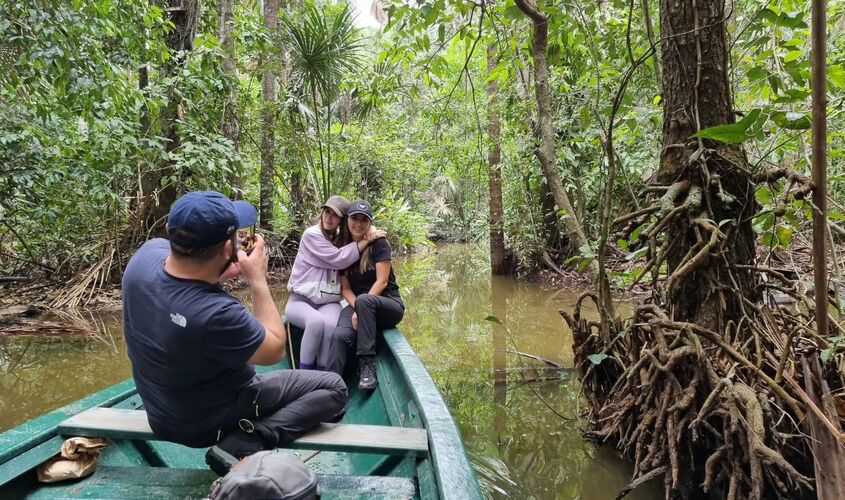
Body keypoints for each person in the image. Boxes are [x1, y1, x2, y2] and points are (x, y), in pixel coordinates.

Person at [122, 191, 347, 477]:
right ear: (225, 250)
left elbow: (181, 278)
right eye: (236, 236)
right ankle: (250, 439)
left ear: (170, 232)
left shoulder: (143, 258)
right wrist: (257, 278)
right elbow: (275, 348)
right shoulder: (217, 312)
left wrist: (220, 269)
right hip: (209, 423)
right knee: (334, 388)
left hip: (161, 417)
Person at [285, 196, 385, 370]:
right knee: (316, 322)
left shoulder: (340, 238)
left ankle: (322, 372)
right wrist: (366, 240)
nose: (328, 218)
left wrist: (371, 231)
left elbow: (359, 229)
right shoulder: (312, 235)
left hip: (328, 302)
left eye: (335, 215)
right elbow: (338, 259)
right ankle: (305, 374)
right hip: (300, 301)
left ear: (342, 219)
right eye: (326, 212)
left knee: (331, 326)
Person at [325, 199, 405, 390]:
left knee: (365, 300)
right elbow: (345, 289)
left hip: (388, 304)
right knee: (339, 335)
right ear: (347, 220)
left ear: (369, 223)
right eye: (355, 218)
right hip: (358, 304)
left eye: (364, 220)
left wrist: (361, 308)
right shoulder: (343, 248)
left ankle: (367, 366)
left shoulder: (379, 244)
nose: (359, 224)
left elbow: (382, 281)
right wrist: (357, 308)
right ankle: (329, 388)